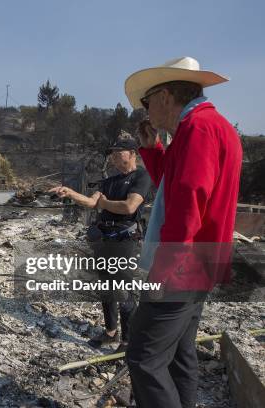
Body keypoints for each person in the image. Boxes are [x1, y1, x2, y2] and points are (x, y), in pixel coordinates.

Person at [124, 57, 242, 408]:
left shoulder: (199, 129)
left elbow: (190, 198)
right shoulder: (204, 127)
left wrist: (166, 268)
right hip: (199, 265)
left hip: (182, 267)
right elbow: (172, 188)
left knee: (144, 358)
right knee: (178, 354)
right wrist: (152, 149)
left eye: (147, 102)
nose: (146, 110)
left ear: (164, 96)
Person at [49, 137, 151, 353]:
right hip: (104, 239)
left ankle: (127, 341)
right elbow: (91, 202)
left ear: (133, 153)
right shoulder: (109, 180)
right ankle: (110, 332)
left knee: (123, 291)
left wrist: (104, 203)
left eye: (119, 152)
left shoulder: (141, 176)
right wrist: (70, 192)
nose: (114, 156)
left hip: (125, 239)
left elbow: (129, 207)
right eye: (112, 153)